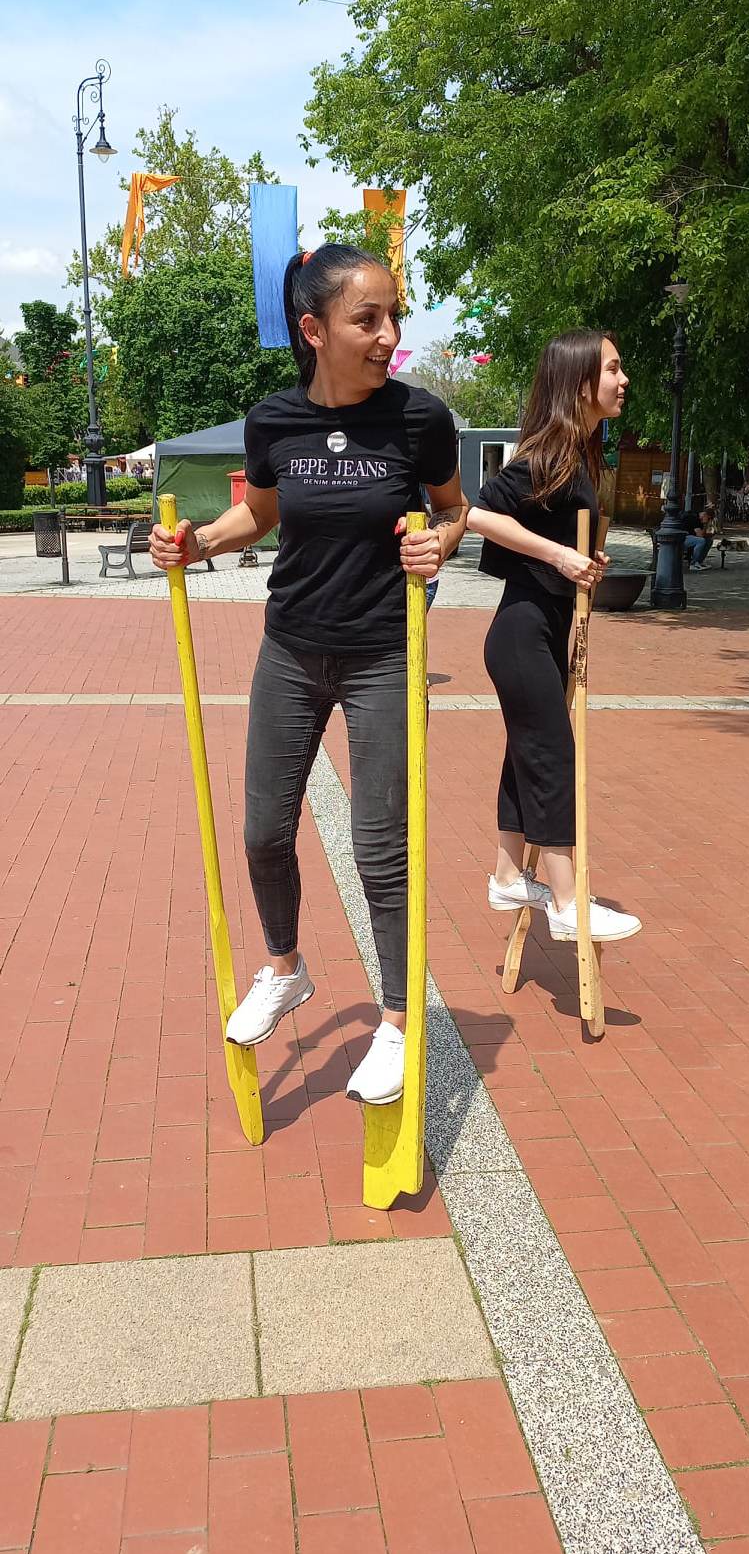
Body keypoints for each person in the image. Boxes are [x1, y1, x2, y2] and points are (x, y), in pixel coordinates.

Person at [150, 244, 466, 1105]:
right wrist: (193, 543)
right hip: (290, 649)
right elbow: (257, 514)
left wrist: (441, 543)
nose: (388, 335)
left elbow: (453, 507)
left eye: (394, 316)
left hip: (384, 654)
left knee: (380, 848)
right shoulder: (273, 423)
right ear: (314, 330)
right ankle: (285, 969)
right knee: (263, 832)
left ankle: (396, 1020)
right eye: (368, 319)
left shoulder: (420, 419)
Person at [466, 330, 641, 944]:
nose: (623, 380)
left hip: (543, 630)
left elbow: (561, 539)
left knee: (528, 752)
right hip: (522, 633)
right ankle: (567, 903)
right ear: (580, 382)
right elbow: (476, 512)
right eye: (612, 369)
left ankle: (507, 875)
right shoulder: (550, 451)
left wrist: (583, 557)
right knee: (550, 754)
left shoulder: (578, 452)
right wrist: (561, 556)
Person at [683, 504, 715, 570]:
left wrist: (710, 535)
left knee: (709, 541)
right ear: (705, 515)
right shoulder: (694, 518)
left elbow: (701, 534)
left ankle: (699, 562)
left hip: (690, 536)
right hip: (683, 537)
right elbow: (700, 536)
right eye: (708, 518)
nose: (708, 520)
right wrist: (705, 524)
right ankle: (693, 563)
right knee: (701, 541)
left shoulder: (700, 520)